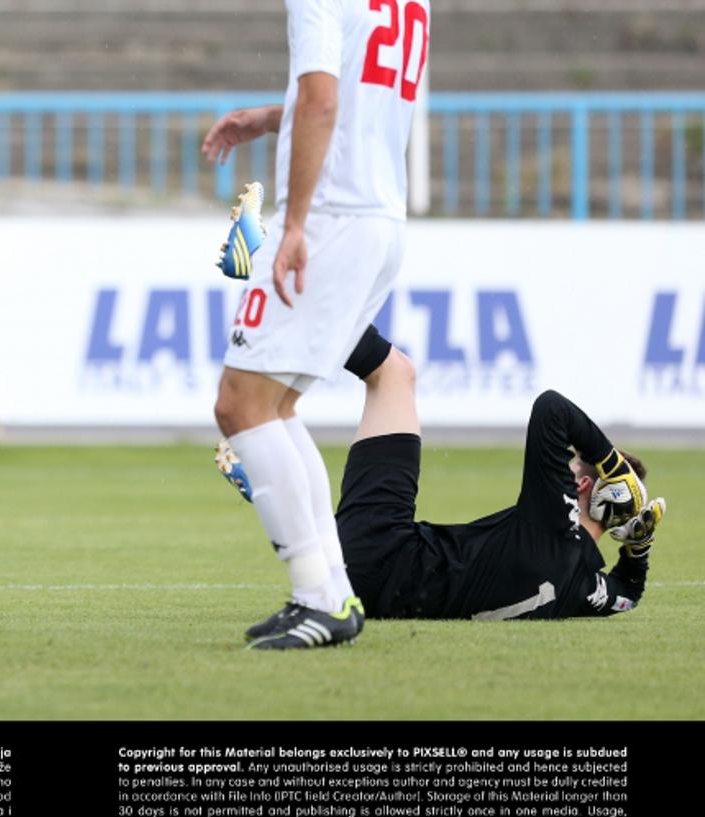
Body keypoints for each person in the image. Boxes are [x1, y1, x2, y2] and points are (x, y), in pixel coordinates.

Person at [203, 0, 432, 649]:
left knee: (240, 404)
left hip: (333, 217)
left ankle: (320, 598)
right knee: (274, 405)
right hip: (379, 218)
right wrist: (271, 119)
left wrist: (295, 222)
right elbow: (363, 106)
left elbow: (325, 101)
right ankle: (332, 591)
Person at [222, 327, 665, 633]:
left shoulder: (555, 522)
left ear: (584, 487)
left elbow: (552, 408)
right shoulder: (585, 587)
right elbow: (629, 593)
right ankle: (282, 483)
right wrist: (637, 547)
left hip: (387, 552)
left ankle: (288, 287)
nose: (568, 475)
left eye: (576, 471)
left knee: (394, 374)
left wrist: (607, 458)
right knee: (347, 507)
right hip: (367, 589)